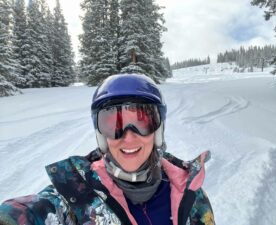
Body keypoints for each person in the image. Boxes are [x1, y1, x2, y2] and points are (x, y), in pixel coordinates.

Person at [0, 73, 215, 225]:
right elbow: (30, 212)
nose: (128, 137)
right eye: (114, 125)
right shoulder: (75, 195)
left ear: (158, 130)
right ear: (101, 135)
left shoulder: (191, 194)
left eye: (142, 122)